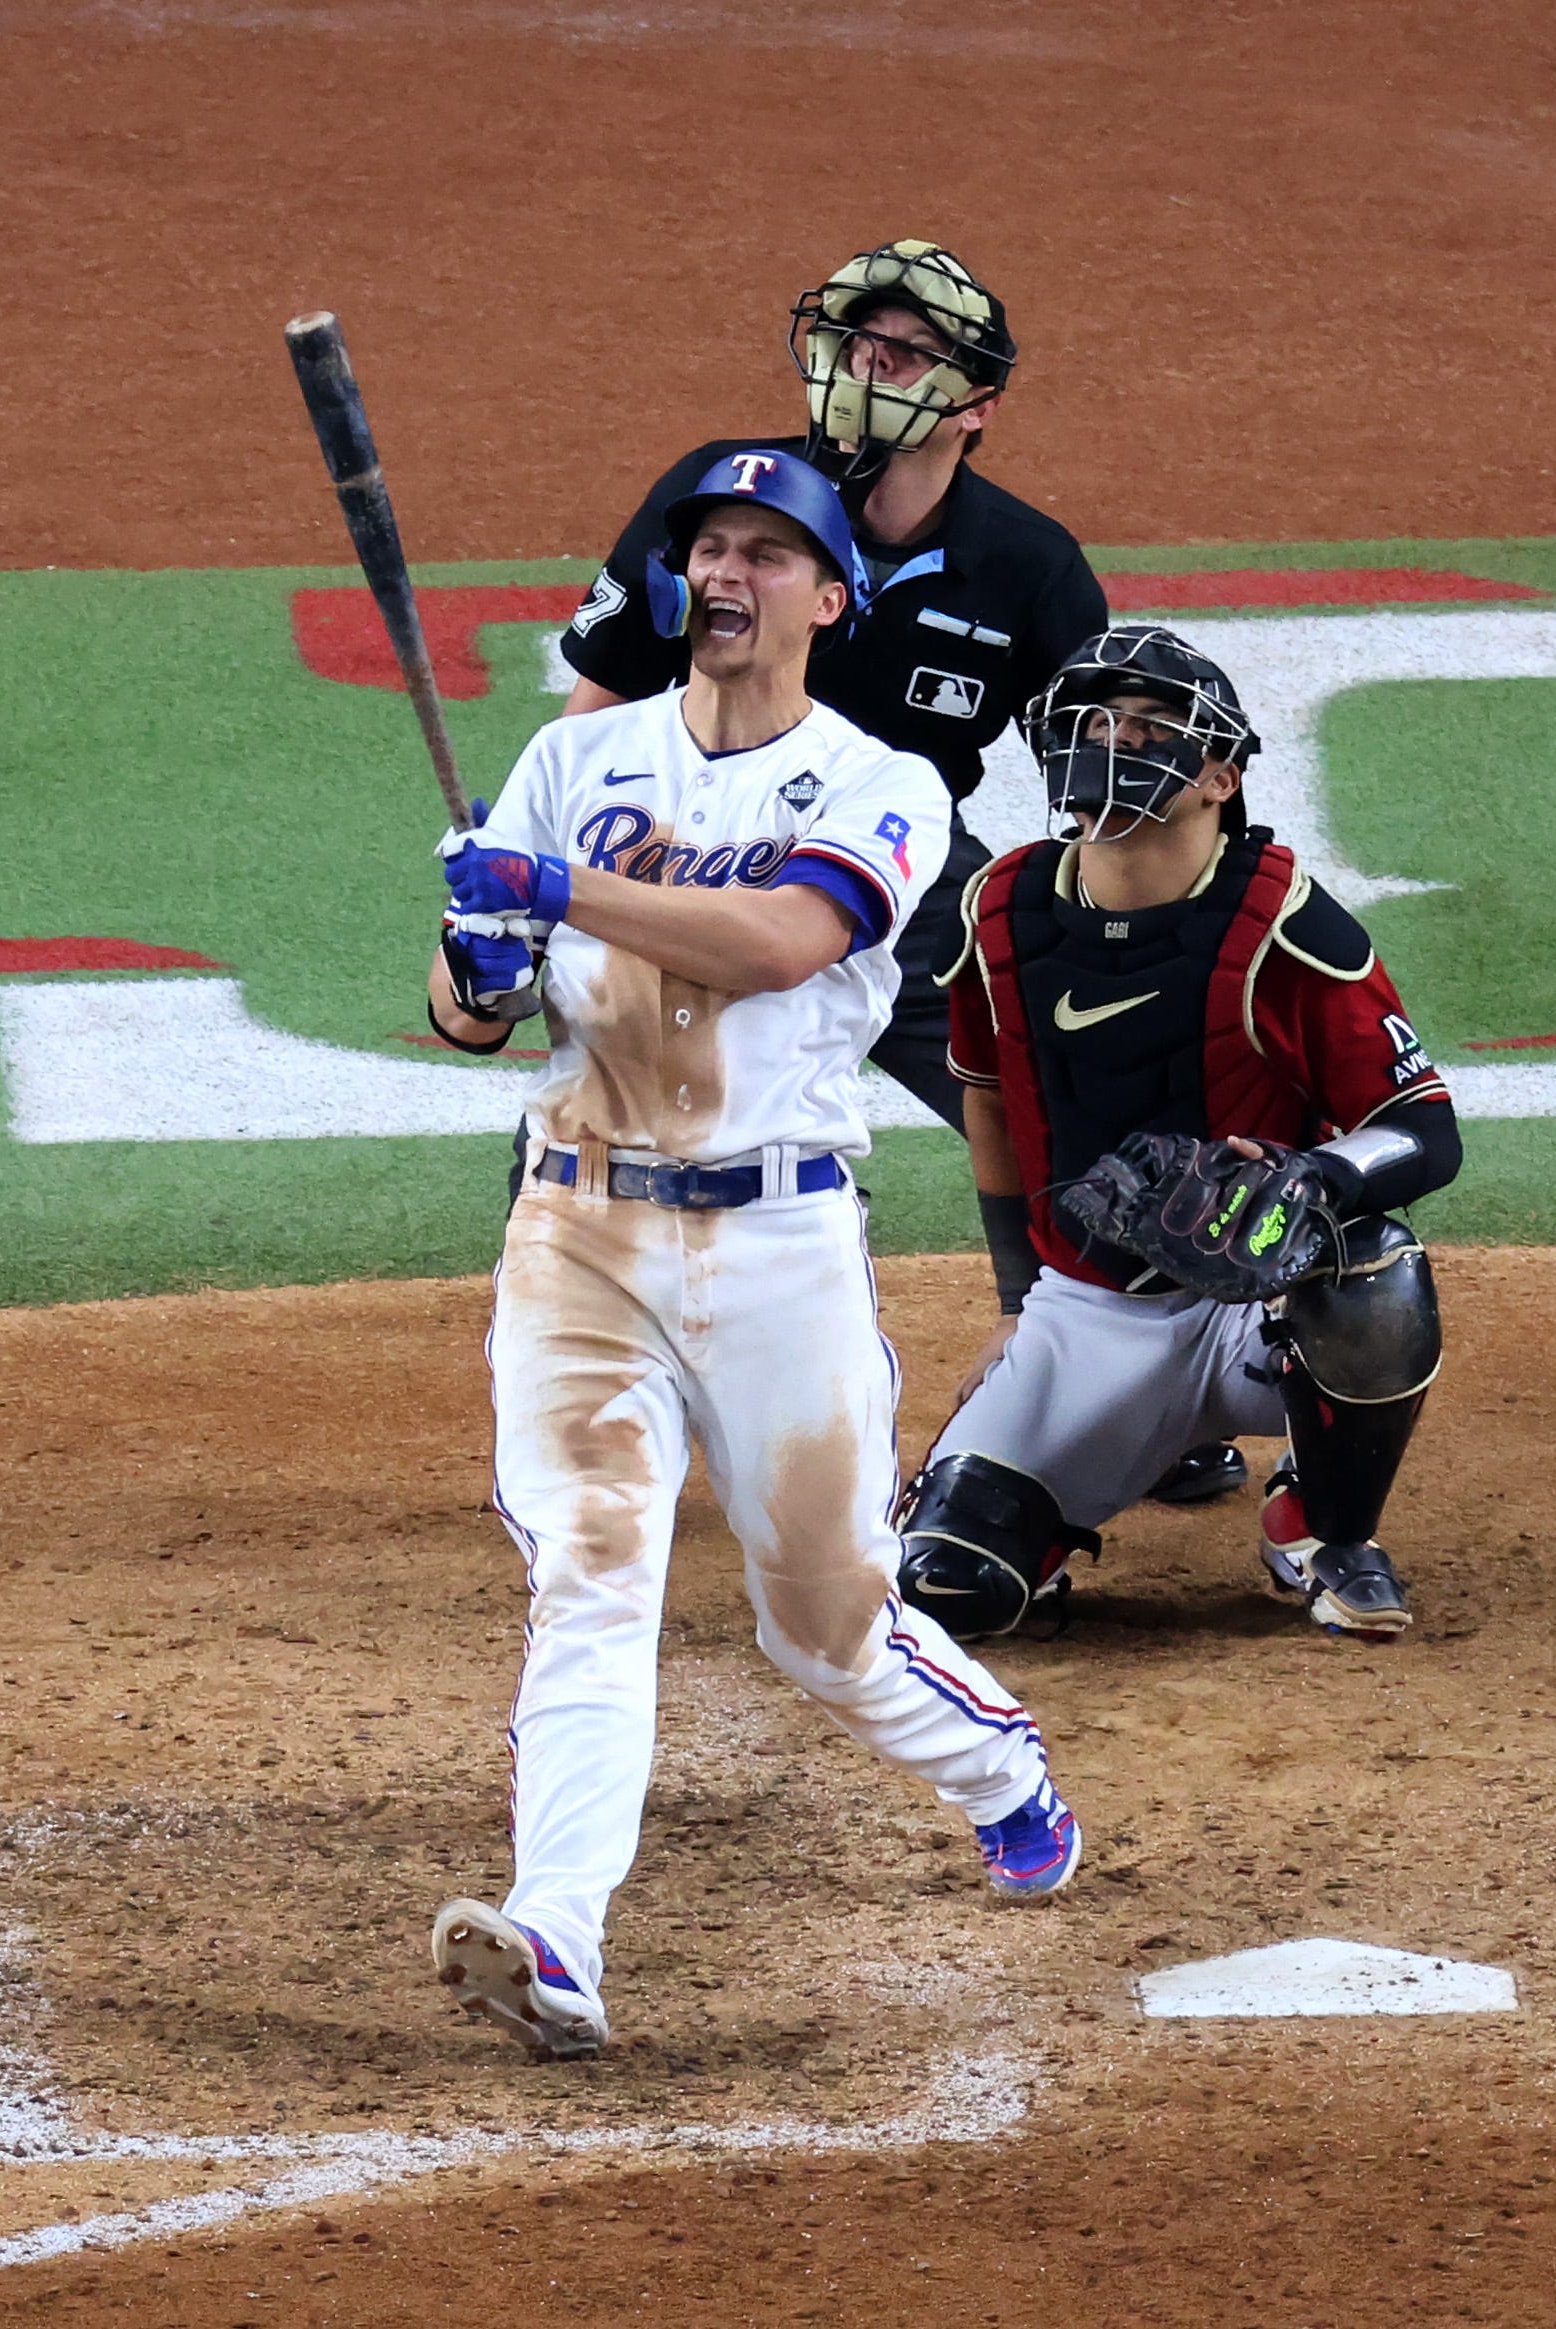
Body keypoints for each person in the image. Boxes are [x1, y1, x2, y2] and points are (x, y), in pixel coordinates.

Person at [422, 448, 1078, 2065]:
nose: (724, 570)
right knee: (591, 1567)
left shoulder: (880, 782)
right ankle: (557, 1931)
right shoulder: (574, 758)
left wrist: (557, 890)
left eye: (765, 552)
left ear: (826, 598)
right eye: (705, 546)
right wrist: (479, 962)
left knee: (826, 1624)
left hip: (777, 1239)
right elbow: (455, 1013)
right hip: (576, 1229)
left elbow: (786, 938)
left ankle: (1003, 1776)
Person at [559, 239, 1247, 1512]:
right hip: (695, 849)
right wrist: (540, 871)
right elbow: (593, 714)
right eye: (851, 346)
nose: (862, 372)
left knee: (1060, 1072)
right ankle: (597, 1389)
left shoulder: (1024, 566)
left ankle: (1116, 1370)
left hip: (903, 865)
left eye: (901, 355)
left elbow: (1100, 767)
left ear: (974, 404)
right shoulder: (729, 503)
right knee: (595, 1117)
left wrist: (1111, 936)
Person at [895, 626, 1463, 1643]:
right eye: (1093, 723)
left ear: (1218, 776)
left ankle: (1324, 1527)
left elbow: (1422, 1126)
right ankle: (1064, 1491)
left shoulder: (1284, 921)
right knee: (947, 1590)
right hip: (1087, 1315)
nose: (1111, 744)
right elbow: (985, 1099)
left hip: (1259, 1309)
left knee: (1375, 1275)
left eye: (1149, 729)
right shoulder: (1000, 909)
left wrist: (1317, 1176)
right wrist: (1019, 1301)